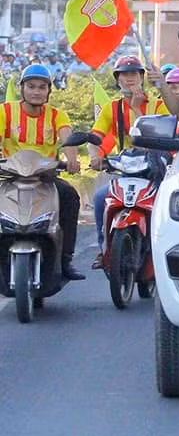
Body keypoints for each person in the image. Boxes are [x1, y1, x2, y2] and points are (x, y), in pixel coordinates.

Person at [0, 63, 84, 279]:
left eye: (41, 87)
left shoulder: (57, 115)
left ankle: (65, 260)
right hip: (10, 178)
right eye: (31, 86)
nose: (36, 92)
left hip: (45, 178)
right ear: (22, 89)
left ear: (48, 91)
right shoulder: (5, 111)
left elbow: (67, 139)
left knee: (69, 196)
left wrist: (72, 160)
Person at [88, 55, 168, 266]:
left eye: (134, 73)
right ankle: (104, 249)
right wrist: (95, 156)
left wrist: (136, 108)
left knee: (165, 204)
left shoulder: (159, 106)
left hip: (156, 172)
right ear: (117, 79)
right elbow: (95, 137)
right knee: (100, 198)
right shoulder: (111, 108)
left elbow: (158, 134)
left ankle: (164, 249)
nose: (129, 78)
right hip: (127, 171)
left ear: (142, 77)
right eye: (124, 74)